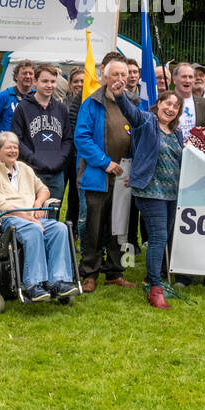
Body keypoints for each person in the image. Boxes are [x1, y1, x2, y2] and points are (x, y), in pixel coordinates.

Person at [0, 131, 79, 300]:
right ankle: (33, 284)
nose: (13, 151)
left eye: (15, 148)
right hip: (7, 219)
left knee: (60, 229)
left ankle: (57, 281)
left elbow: (44, 189)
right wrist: (29, 217)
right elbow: (2, 205)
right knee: (33, 230)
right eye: (8, 148)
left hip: (33, 217)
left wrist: (38, 204)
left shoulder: (25, 169)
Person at [73, 55, 138, 292]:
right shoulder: (91, 103)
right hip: (97, 176)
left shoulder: (133, 103)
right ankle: (89, 273)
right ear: (105, 76)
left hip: (125, 176)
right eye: (115, 75)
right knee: (94, 227)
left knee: (118, 226)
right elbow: (82, 138)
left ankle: (114, 272)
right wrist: (105, 163)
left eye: (124, 75)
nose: (120, 79)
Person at [118, 92, 186, 308]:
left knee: (163, 237)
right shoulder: (147, 123)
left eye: (176, 106)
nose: (171, 108)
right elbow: (130, 112)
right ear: (159, 104)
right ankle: (155, 288)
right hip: (150, 191)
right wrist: (120, 94)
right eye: (168, 103)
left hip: (172, 193)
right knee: (157, 238)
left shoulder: (177, 133)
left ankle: (150, 279)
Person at [13, 63, 74, 201]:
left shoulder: (61, 109)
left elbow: (67, 139)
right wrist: (32, 158)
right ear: (35, 81)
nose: (49, 85)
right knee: (32, 213)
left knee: (53, 216)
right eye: (45, 81)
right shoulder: (23, 107)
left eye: (53, 82)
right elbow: (17, 138)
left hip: (56, 173)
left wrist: (61, 159)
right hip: (32, 171)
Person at [0, 59, 36, 141]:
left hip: (30, 147)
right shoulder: (5, 96)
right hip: (7, 146)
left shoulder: (38, 97)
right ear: (16, 76)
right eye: (24, 73)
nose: (28, 76)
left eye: (31, 74)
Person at [64, 66, 85, 233]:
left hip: (80, 156)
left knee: (75, 196)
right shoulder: (62, 104)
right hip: (64, 156)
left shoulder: (89, 103)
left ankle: (74, 230)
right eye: (76, 81)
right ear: (70, 85)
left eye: (83, 81)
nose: (79, 84)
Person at [172, 63, 205, 135]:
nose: (187, 80)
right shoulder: (165, 101)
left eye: (191, 77)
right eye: (184, 77)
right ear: (174, 80)